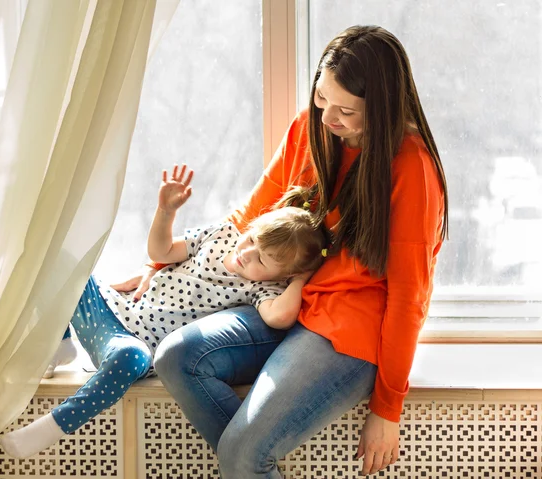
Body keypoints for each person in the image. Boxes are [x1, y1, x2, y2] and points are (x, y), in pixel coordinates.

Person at [139, 25, 449, 478]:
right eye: (323, 98)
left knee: (243, 455)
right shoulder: (310, 128)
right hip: (285, 301)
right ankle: (246, 458)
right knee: (176, 356)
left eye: (347, 110)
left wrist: (388, 409)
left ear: (383, 110)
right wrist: (164, 263)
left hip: (348, 329)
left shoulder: (411, 167)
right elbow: (248, 218)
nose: (328, 118)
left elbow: (409, 296)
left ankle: (245, 458)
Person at [0, 165, 328, 459]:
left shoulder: (258, 290)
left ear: (280, 275)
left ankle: (54, 426)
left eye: (262, 260)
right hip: (116, 309)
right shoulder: (221, 235)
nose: (248, 254)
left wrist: (300, 279)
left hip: (131, 345)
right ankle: (62, 341)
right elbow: (161, 251)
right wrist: (165, 211)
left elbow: (279, 318)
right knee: (59, 262)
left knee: (130, 358)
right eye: (252, 241)